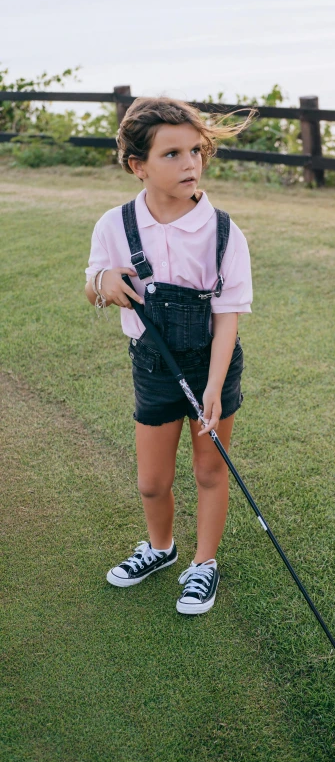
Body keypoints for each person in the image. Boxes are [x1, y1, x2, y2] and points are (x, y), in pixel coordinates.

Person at [85, 96, 257, 614]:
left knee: (209, 471)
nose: (190, 164)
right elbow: (92, 288)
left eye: (195, 151)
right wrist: (103, 280)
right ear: (138, 166)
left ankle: (203, 564)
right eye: (172, 154)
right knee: (151, 480)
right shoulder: (114, 226)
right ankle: (161, 549)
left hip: (212, 366)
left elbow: (228, 315)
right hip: (154, 366)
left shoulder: (224, 232)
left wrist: (213, 387)